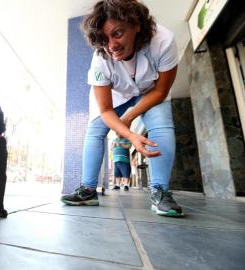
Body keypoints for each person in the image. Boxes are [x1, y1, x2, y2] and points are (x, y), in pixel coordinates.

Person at [61, 0, 184, 217]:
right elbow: (107, 110)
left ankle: (160, 192)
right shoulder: (100, 59)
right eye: (104, 39)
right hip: (115, 95)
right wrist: (129, 134)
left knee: (162, 123)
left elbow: (161, 91)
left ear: (136, 25)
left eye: (117, 33)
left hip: (150, 90)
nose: (112, 46)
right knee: (95, 129)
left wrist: (129, 118)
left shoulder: (163, 41)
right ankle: (88, 190)